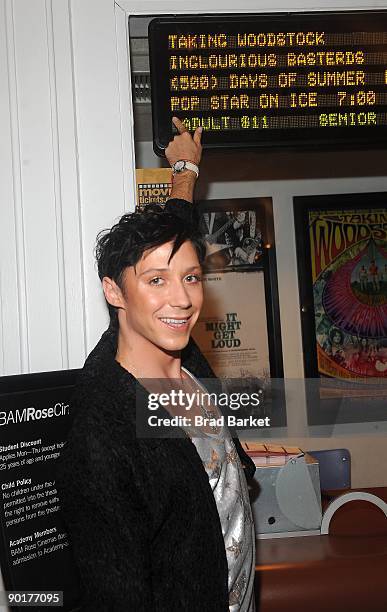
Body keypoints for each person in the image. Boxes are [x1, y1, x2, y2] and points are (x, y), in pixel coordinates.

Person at [56, 117, 256, 611]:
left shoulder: (187, 360)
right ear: (113, 292)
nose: (182, 299)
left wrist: (185, 171)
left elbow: (172, 245)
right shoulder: (103, 429)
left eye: (191, 279)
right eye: (155, 282)